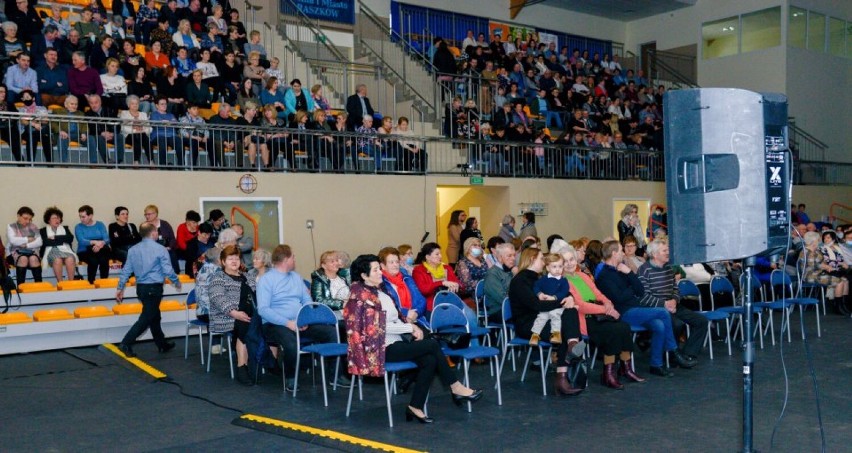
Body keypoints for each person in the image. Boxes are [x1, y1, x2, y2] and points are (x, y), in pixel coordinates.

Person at [344, 254, 482, 424]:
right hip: (377, 349)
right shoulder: (361, 297)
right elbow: (378, 327)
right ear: (364, 276)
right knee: (431, 345)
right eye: (375, 270)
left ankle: (415, 406)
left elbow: (393, 318)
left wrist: (410, 323)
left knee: (430, 360)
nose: (380, 272)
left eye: (379, 268)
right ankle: (455, 386)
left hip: (394, 342)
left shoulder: (380, 290)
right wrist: (410, 327)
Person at [595, 240, 697, 377]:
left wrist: (630, 273)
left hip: (635, 309)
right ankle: (674, 351)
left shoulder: (622, 270)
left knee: (660, 325)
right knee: (662, 312)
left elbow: (640, 290)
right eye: (621, 251)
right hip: (622, 313)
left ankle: (656, 365)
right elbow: (619, 298)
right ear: (614, 253)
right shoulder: (604, 276)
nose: (623, 253)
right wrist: (631, 288)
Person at [560, 245, 645, 389]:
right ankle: (608, 373)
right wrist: (605, 310)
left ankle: (626, 368)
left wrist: (608, 304)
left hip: (599, 314)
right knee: (612, 330)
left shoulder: (583, 275)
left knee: (623, 327)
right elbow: (579, 304)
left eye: (572, 259)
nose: (569, 263)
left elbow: (598, 294)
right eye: (565, 261)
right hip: (583, 318)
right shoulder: (562, 281)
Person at [257, 244, 336, 392]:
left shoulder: (296, 277)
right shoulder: (266, 280)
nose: (295, 259)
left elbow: (307, 300)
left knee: (330, 332)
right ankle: (290, 377)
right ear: (286, 259)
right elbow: (263, 310)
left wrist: (305, 318)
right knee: (291, 342)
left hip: (299, 321)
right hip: (275, 324)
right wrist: (288, 323)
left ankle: (334, 376)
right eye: (293, 257)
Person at [509, 248, 586, 396]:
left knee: (570, 312)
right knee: (565, 324)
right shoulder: (520, 281)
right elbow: (536, 305)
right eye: (541, 259)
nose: (544, 262)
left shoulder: (540, 278)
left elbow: (559, 291)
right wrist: (562, 303)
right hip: (529, 324)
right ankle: (562, 376)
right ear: (532, 259)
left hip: (546, 318)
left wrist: (569, 297)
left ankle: (572, 345)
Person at [115, 222, 182, 358]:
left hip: (141, 288)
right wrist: (176, 281)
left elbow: (126, 270)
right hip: (154, 287)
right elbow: (168, 269)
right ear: (153, 233)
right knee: (146, 317)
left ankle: (162, 344)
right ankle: (126, 343)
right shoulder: (160, 249)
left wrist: (120, 287)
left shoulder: (133, 250)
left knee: (154, 316)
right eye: (157, 232)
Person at [638, 239, 708, 362]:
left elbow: (676, 289)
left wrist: (674, 301)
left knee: (701, 321)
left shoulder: (668, 268)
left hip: (672, 304)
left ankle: (688, 354)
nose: (668, 253)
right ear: (654, 254)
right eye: (664, 250)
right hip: (656, 308)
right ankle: (672, 356)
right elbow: (643, 297)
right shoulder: (644, 270)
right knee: (677, 324)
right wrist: (664, 304)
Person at [208, 245, 258, 385]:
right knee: (244, 324)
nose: (234, 261)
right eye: (230, 258)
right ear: (223, 261)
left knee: (268, 323)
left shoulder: (248, 277)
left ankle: (269, 360)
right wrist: (234, 313)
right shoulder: (218, 277)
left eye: (237, 258)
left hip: (252, 315)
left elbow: (258, 295)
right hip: (228, 316)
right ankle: (242, 367)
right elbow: (218, 298)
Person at [379, 247, 429, 327]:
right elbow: (385, 308)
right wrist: (406, 312)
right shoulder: (380, 283)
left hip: (416, 319)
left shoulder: (407, 279)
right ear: (383, 266)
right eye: (391, 262)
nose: (395, 265)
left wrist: (416, 313)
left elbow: (421, 300)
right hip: (395, 324)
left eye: (397, 262)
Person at [529, 253, 568, 345]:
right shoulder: (543, 279)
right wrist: (539, 294)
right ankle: (535, 335)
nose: (558, 269)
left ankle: (556, 334)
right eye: (554, 266)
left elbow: (564, 292)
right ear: (547, 268)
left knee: (555, 315)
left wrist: (554, 297)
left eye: (560, 266)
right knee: (541, 317)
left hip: (557, 305)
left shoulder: (563, 280)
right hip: (545, 305)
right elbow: (535, 286)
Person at [412, 242, 461, 312]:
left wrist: (456, 284)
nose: (440, 256)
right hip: (432, 305)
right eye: (437, 254)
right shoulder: (419, 270)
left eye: (440, 254)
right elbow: (424, 290)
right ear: (427, 257)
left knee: (469, 317)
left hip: (451, 301)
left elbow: (456, 282)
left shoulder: (447, 268)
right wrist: (442, 283)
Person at [6, 206, 43, 285]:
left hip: (31, 252)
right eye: (25, 218)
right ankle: (21, 287)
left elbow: (39, 242)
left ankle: (39, 286)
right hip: (14, 253)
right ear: (18, 216)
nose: (28, 221)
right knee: (23, 259)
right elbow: (13, 241)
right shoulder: (11, 226)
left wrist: (26, 245)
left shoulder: (33, 226)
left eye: (30, 219)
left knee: (34, 259)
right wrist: (28, 239)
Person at [39, 207, 77, 282]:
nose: (57, 220)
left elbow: (70, 238)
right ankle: (60, 283)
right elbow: (45, 242)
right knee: (57, 260)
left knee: (70, 259)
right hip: (51, 251)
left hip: (66, 251)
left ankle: (71, 282)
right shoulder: (43, 231)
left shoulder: (65, 228)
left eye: (59, 218)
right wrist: (62, 239)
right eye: (54, 218)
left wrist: (55, 238)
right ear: (48, 220)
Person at [75, 205, 111, 284]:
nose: (81, 219)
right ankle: (91, 282)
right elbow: (81, 241)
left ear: (90, 216)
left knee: (104, 260)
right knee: (93, 261)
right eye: (80, 216)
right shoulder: (78, 227)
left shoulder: (100, 224)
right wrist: (95, 242)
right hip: (84, 251)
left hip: (101, 249)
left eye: (83, 217)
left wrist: (100, 244)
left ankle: (104, 282)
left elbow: (107, 239)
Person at [310, 250, 350, 317]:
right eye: (332, 262)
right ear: (324, 266)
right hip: (331, 314)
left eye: (337, 261)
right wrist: (341, 304)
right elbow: (318, 300)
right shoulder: (318, 279)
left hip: (350, 311)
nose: (336, 263)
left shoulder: (344, 277)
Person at [119, 95, 153, 165]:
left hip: (142, 135)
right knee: (137, 136)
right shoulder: (124, 113)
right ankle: (136, 161)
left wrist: (143, 131)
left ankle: (151, 161)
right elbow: (123, 128)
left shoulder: (143, 114)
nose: (135, 105)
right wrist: (135, 131)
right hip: (129, 136)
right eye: (132, 103)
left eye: (136, 103)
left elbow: (150, 128)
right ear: (128, 105)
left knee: (146, 139)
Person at [176, 210, 201, 274]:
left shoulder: (198, 228)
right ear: (187, 221)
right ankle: (190, 274)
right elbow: (181, 243)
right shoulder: (181, 227)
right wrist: (190, 250)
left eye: (197, 222)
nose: (196, 224)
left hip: (194, 249)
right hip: (182, 250)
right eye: (194, 222)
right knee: (192, 255)